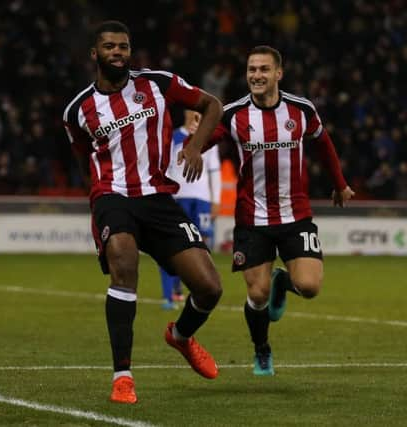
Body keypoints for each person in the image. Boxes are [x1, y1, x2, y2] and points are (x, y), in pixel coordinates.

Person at [62, 20, 224, 404]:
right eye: (109, 46)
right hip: (113, 195)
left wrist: (196, 146)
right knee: (123, 259)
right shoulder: (77, 110)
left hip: (157, 197)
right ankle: (123, 376)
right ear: (94, 54)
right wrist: (105, 195)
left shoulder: (157, 83)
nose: (117, 52)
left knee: (209, 287)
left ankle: (180, 337)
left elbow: (212, 105)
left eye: (123, 46)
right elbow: (85, 158)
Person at [202, 46, 355, 376]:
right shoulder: (233, 114)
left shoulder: (301, 110)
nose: (256, 75)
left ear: (278, 74)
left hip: (295, 215)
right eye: (251, 69)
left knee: (310, 287)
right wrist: (189, 150)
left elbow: (324, 144)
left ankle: (283, 282)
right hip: (251, 218)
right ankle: (262, 349)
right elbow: (206, 138)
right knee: (257, 295)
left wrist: (339, 183)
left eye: (263, 69)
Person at [160, 110, 221, 310]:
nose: (197, 113)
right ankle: (172, 292)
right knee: (174, 245)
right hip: (179, 196)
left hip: (202, 198)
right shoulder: (173, 136)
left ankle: (198, 288)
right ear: (186, 112)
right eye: (193, 109)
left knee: (201, 244)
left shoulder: (208, 137)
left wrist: (216, 200)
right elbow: (165, 167)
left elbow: (214, 170)